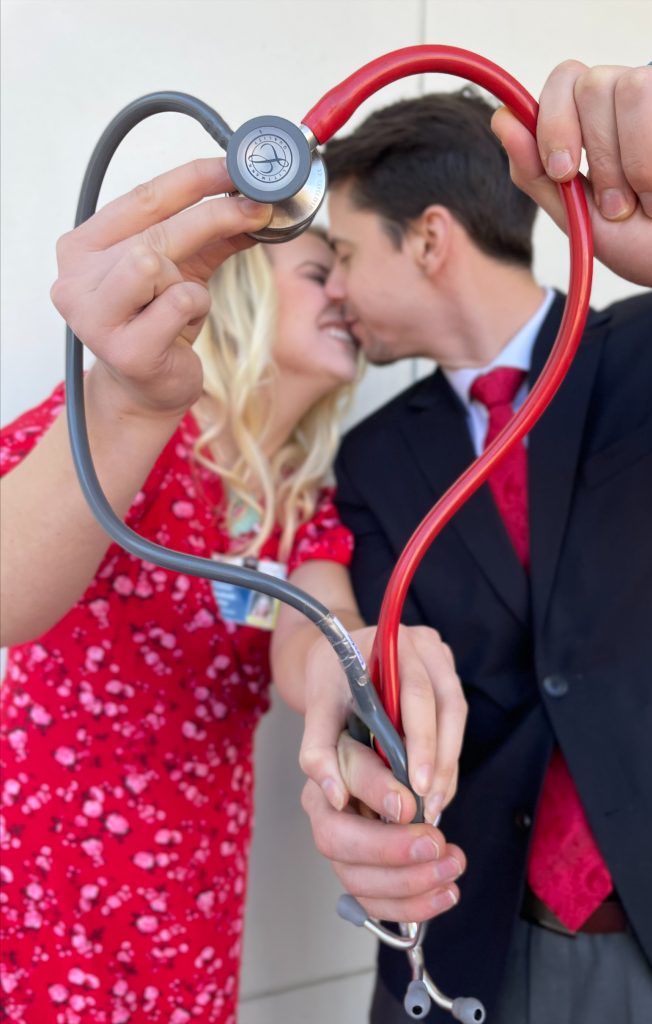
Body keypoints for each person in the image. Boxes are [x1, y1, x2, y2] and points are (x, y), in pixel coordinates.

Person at [299, 61, 652, 1023]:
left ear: (430, 238)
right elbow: (379, 676)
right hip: (476, 936)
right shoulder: (374, 457)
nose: (334, 287)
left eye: (343, 253)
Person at [0, 163, 467, 1023]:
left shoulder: (304, 505)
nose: (344, 297)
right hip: (44, 885)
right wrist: (128, 405)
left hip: (192, 895)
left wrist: (359, 661)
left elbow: (312, 645)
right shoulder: (123, 431)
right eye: (319, 272)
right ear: (247, 285)